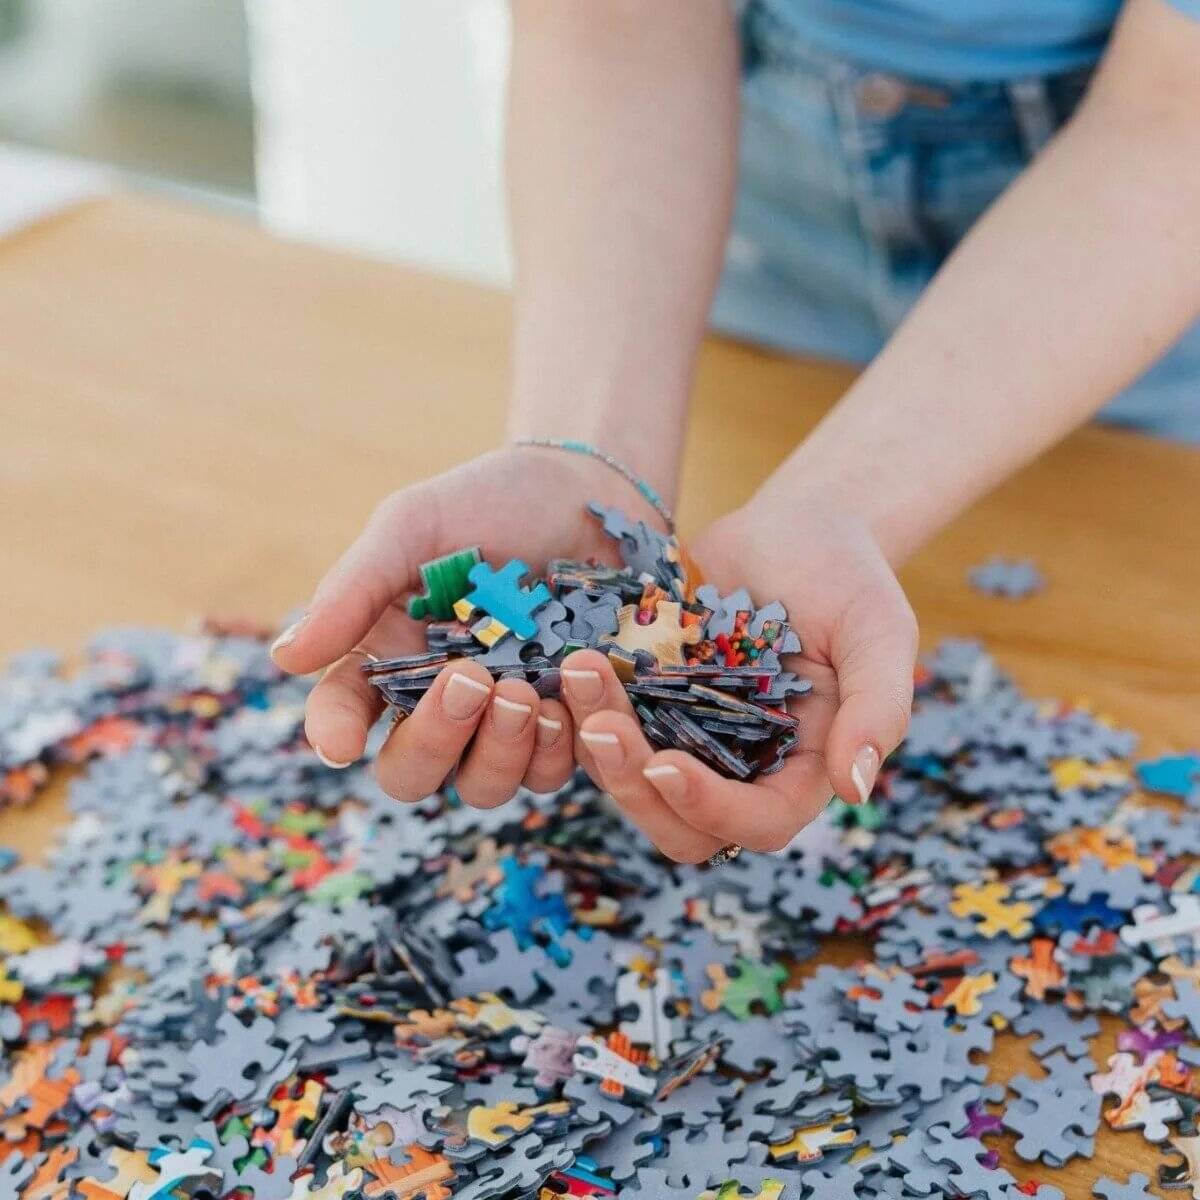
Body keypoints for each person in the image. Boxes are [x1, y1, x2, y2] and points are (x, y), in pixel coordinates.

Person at [272, 0, 1200, 864]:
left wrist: (840, 504)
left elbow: (1175, 119)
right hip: (741, 225)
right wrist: (583, 453)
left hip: (1130, 296)